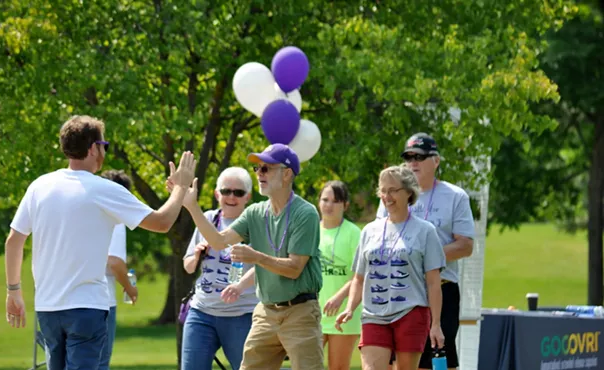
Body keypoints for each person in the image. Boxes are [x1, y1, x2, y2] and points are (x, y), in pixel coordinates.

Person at [4, 115, 196, 370]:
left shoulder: (39, 186)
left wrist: (13, 291)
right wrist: (181, 188)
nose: (104, 151)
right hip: (86, 308)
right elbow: (162, 223)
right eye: (103, 145)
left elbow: (13, 242)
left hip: (47, 308)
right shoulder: (104, 189)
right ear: (93, 148)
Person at [170, 143, 324, 370]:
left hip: (300, 312)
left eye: (266, 168)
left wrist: (257, 257)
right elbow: (219, 241)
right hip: (266, 312)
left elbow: (294, 268)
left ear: (287, 173)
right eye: (258, 169)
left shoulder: (305, 213)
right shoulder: (255, 212)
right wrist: (192, 206)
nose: (259, 174)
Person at [376, 133, 475, 370]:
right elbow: (380, 238)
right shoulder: (391, 195)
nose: (413, 163)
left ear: (436, 161)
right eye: (408, 157)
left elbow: (465, 245)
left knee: (440, 362)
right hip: (401, 290)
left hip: (442, 289)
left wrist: (424, 257)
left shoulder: (455, 196)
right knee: (399, 362)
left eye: (419, 157)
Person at [336, 165, 446, 370]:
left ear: (409, 192)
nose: (387, 196)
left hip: (411, 313)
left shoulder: (426, 231)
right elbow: (359, 278)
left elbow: (433, 282)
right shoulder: (369, 231)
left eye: (393, 190)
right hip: (373, 315)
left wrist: (436, 324)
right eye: (383, 190)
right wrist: (350, 308)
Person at [179, 167, 259, 370]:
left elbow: (265, 265)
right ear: (217, 194)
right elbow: (188, 267)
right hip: (202, 312)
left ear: (248, 197)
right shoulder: (206, 219)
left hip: (241, 314)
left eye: (238, 193)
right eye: (226, 191)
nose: (231, 197)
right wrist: (196, 254)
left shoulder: (256, 224)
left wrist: (240, 286)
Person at [317, 181, 363, 370]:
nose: (328, 205)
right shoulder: (310, 229)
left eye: (335, 201)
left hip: (343, 315)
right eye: (325, 200)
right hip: (312, 315)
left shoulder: (354, 233)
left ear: (345, 205)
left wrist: (339, 297)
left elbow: (360, 276)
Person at [98, 169, 139, 370]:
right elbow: (114, 262)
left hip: (64, 300)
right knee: (99, 363)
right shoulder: (116, 219)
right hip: (102, 301)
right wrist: (130, 288)